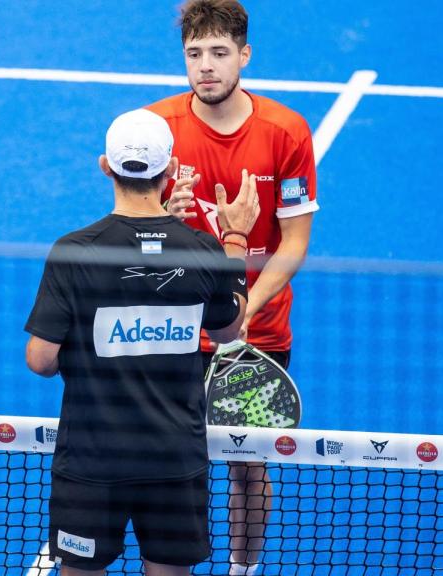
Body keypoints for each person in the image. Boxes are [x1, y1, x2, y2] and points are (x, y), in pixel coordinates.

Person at [25, 108, 258, 576]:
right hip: (174, 459)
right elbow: (230, 331)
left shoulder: (76, 251)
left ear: (105, 167)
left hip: (93, 460)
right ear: (170, 170)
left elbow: (40, 359)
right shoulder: (199, 250)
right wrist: (233, 237)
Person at [151, 1, 318, 573]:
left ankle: (241, 569)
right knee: (171, 459)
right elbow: (128, 234)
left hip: (257, 334)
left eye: (219, 53)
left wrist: (246, 310)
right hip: (171, 327)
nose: (205, 67)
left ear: (244, 55)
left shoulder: (286, 132)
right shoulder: (157, 129)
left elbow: (293, 242)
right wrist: (160, 217)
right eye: (194, 54)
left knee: (249, 467)